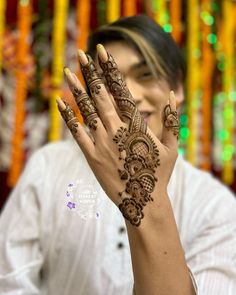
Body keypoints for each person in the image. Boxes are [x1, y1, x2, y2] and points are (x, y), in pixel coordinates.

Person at [0, 15, 235, 295]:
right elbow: (10, 282)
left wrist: (147, 201)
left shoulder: (214, 204)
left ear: (179, 88)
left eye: (147, 74)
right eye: (111, 83)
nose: (130, 95)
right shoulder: (48, 167)